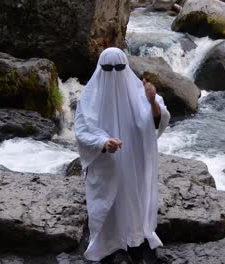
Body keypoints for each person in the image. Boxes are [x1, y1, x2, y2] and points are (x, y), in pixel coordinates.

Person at [74, 47, 171, 261]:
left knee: (133, 206)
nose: (114, 73)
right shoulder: (89, 98)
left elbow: (156, 119)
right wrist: (103, 142)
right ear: (101, 68)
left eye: (118, 68)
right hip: (105, 166)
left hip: (133, 165)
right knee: (106, 210)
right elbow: (81, 132)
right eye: (108, 68)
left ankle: (134, 242)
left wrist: (153, 101)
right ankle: (107, 247)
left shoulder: (139, 93)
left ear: (126, 67)